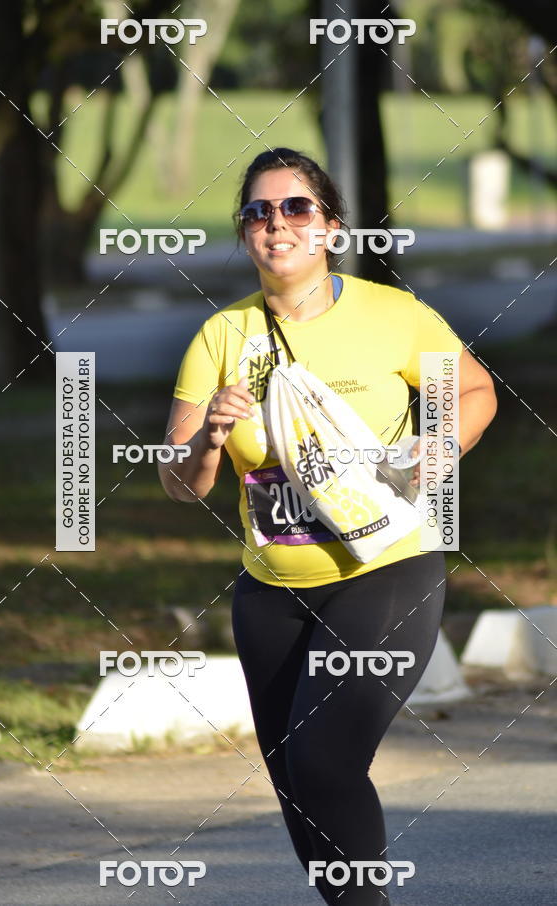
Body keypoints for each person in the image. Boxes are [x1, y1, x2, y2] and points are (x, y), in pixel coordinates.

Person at [159, 147, 497, 905]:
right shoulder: (220, 338)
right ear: (245, 234)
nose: (276, 223)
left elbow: (474, 390)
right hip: (271, 593)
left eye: (295, 207)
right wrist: (209, 439)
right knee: (295, 788)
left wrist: (442, 444)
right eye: (257, 212)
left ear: (330, 227)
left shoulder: (392, 315)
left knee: (324, 763)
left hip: (386, 573)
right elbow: (179, 482)